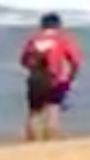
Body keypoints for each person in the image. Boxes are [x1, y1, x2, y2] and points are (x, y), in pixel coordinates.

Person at [19, 12, 81, 142]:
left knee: (34, 112)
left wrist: (34, 69)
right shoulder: (62, 39)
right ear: (58, 25)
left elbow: (23, 61)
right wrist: (71, 77)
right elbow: (75, 61)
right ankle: (50, 139)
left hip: (35, 78)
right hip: (55, 78)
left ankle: (32, 141)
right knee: (53, 109)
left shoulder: (34, 39)